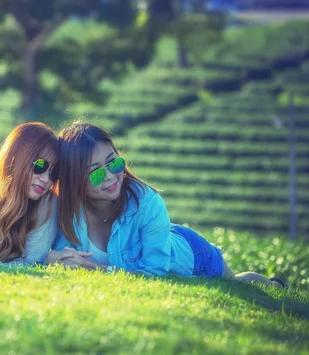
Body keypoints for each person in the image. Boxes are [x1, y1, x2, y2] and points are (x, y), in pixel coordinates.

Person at [52, 121, 288, 288]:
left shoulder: (147, 203)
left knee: (236, 283)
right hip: (166, 238)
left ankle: (273, 285)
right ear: (75, 181)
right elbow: (57, 259)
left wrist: (96, 269)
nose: (111, 177)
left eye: (114, 163)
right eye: (95, 174)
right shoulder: (64, 214)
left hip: (191, 255)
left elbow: (155, 276)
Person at [0, 122, 88, 267]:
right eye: (39, 166)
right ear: (15, 159)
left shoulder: (48, 203)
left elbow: (31, 263)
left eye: (53, 172)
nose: (45, 179)